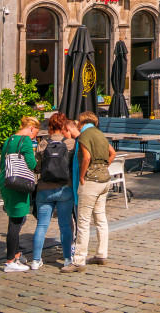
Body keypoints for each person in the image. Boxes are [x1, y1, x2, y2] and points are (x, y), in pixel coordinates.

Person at [63, 111, 116, 273]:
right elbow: (112, 153)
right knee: (101, 218)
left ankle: (78, 261)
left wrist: (81, 176)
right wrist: (103, 168)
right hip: (105, 180)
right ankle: (101, 254)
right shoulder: (100, 134)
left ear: (81, 122)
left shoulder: (85, 135)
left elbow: (86, 157)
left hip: (91, 181)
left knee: (83, 222)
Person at [32, 113, 78, 270]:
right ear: (64, 125)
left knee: (41, 225)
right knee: (65, 225)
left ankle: (36, 260)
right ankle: (66, 259)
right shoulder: (71, 143)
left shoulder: (43, 144)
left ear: (50, 126)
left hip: (44, 189)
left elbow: (36, 167)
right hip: (65, 188)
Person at [0, 116, 40, 272]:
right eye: (35, 133)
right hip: (18, 184)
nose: (34, 137)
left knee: (15, 217)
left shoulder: (9, 140)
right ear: (31, 128)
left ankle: (16, 254)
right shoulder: (26, 141)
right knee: (16, 222)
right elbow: (32, 164)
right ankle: (10, 261)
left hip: (6, 181)